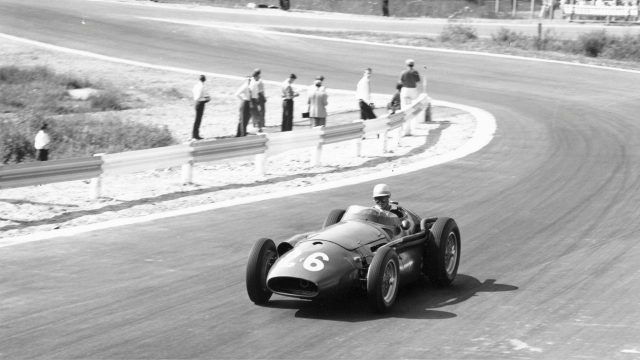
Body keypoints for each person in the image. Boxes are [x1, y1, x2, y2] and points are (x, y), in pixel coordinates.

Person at [191, 74, 210, 140]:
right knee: (198, 120)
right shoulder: (202, 86)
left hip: (196, 103)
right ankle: (195, 135)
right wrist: (206, 99)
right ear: (204, 80)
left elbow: (194, 92)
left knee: (197, 119)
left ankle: (195, 134)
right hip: (200, 103)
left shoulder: (196, 85)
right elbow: (198, 97)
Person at [249, 68, 266, 133]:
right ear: (256, 75)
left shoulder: (253, 81)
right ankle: (259, 130)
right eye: (259, 75)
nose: (260, 77)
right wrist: (251, 101)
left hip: (254, 100)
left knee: (255, 115)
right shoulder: (253, 83)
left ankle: (258, 129)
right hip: (253, 101)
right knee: (258, 116)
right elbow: (250, 91)